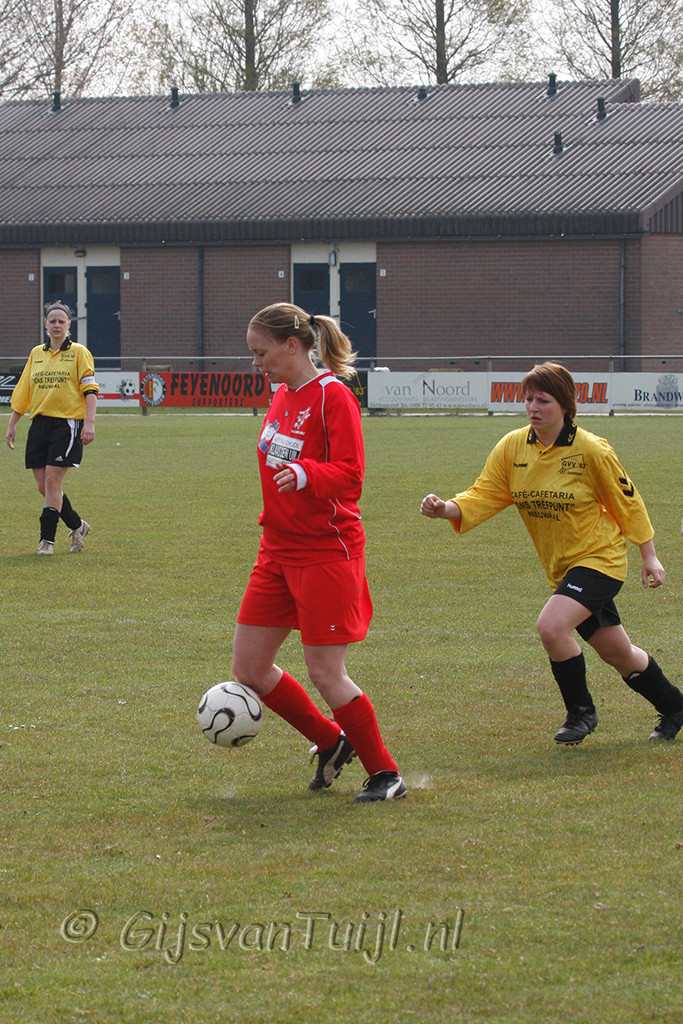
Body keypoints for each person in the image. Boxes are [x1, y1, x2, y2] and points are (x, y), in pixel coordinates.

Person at [420, 361, 683, 745]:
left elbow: (627, 502)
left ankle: (581, 712)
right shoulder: (513, 447)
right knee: (618, 652)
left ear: (565, 405)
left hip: (601, 559)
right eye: (528, 399)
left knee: (551, 626)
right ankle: (675, 706)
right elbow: (485, 493)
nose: (533, 407)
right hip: (564, 568)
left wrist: (649, 555)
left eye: (543, 400)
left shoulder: (591, 449)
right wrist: (446, 508)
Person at [231, 302, 407, 802]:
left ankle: (386, 775)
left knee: (326, 672)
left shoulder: (333, 396)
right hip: (276, 550)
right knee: (249, 669)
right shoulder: (283, 394)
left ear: (292, 345)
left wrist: (307, 473)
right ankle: (331, 741)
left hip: (325, 552)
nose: (256, 363)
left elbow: (352, 475)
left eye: (261, 352)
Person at [5, 301, 99, 555]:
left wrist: (89, 422)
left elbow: (90, 390)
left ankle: (46, 542)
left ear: (69, 325)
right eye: (52, 321)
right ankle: (78, 526)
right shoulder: (36, 353)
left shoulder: (79, 352)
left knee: (52, 481)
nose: (57, 325)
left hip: (67, 424)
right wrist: (12, 424)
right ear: (45, 324)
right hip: (39, 424)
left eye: (61, 321)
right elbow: (24, 391)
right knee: (44, 487)